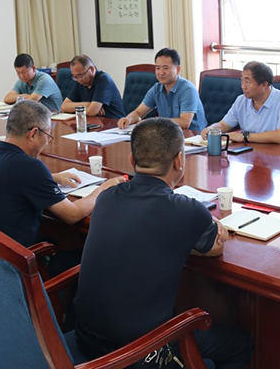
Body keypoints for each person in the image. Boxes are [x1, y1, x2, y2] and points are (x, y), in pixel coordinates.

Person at [75, 118, 253, 368]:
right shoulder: (186, 210)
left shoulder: (106, 197)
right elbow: (215, 248)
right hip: (139, 351)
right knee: (242, 344)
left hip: (84, 337)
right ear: (179, 160)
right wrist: (197, 230)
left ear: (132, 160)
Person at [0, 100, 123, 249]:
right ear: (33, 133)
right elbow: (72, 215)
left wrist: (52, 177)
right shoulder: (29, 167)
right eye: (48, 136)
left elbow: (10, 178)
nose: (47, 142)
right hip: (14, 260)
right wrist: (102, 189)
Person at [199, 61, 280, 146]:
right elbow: (223, 125)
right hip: (252, 152)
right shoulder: (241, 100)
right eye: (242, 80)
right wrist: (211, 129)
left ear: (264, 85)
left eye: (247, 82)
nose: (243, 86)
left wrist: (244, 136)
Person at [118, 48, 207, 132]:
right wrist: (128, 119)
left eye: (165, 68)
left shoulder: (188, 89)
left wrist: (152, 122)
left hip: (193, 137)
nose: (161, 73)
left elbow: (185, 123)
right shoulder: (157, 88)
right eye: (158, 68)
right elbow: (138, 112)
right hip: (169, 134)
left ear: (178, 69)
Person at [60, 55, 125, 119]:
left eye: (80, 75)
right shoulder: (80, 81)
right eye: (75, 76)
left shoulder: (104, 80)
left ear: (92, 69)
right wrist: (87, 104)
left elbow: (91, 111)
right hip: (94, 121)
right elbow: (64, 106)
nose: (78, 80)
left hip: (113, 122)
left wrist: (90, 108)